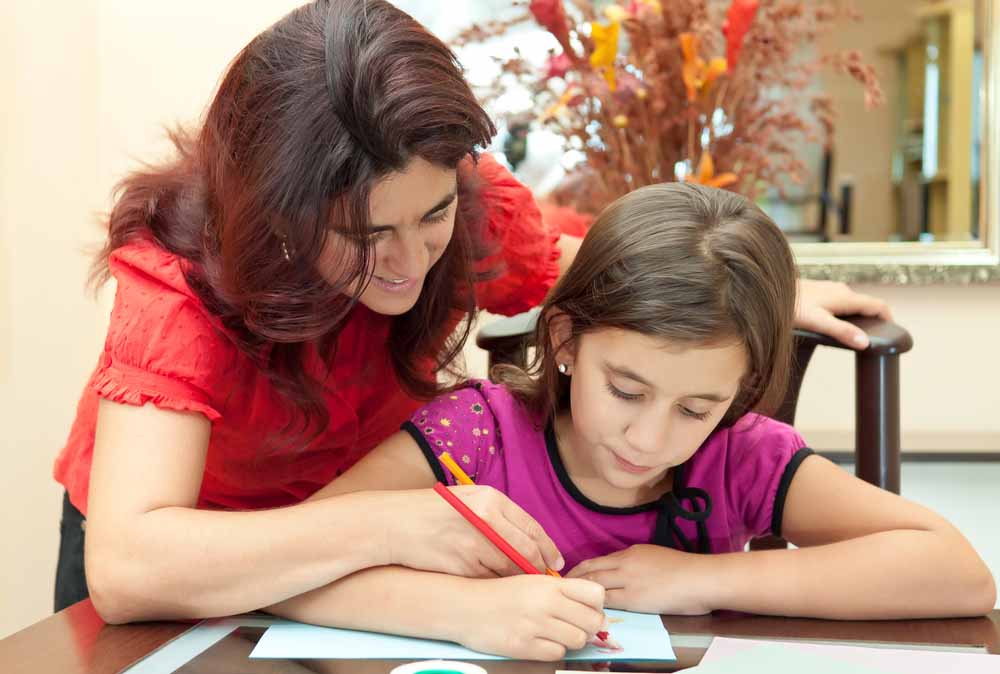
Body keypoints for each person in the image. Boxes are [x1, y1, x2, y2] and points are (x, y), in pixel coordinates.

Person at [53, 0, 895, 623]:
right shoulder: (178, 286)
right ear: (277, 212)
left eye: (433, 217)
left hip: (367, 570)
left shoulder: (459, 208)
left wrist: (748, 291)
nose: (411, 266)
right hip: (201, 565)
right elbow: (131, 568)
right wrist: (397, 521)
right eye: (363, 235)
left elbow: (579, 267)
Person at [278, 183, 995, 661]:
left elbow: (959, 576)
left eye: (695, 408)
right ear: (564, 342)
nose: (650, 441)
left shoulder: (739, 456)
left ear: (739, 391)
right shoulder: (476, 435)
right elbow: (285, 564)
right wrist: (462, 609)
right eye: (626, 390)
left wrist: (700, 580)